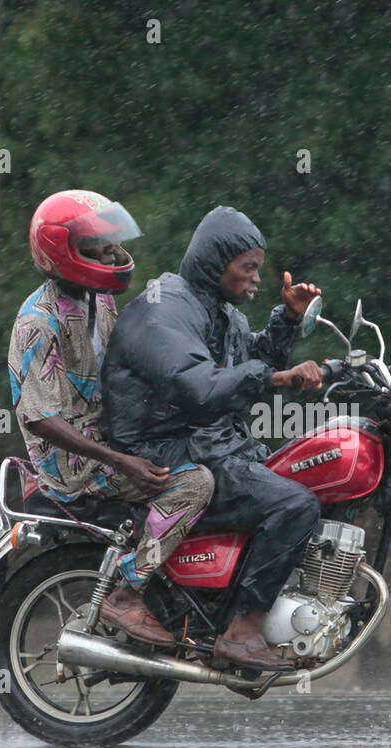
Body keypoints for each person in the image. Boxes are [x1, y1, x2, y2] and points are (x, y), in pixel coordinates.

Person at [102, 206, 326, 670]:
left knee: (305, 473)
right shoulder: (163, 307)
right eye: (248, 268)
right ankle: (242, 632)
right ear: (214, 262)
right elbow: (200, 387)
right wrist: (280, 380)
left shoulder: (222, 313)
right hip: (161, 451)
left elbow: (252, 361)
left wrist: (286, 318)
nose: (256, 280)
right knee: (295, 504)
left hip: (209, 443)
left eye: (258, 270)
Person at [10, 189, 214, 647]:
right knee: (195, 483)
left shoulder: (98, 299)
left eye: (109, 242)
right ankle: (127, 591)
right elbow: (40, 418)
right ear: (59, 252)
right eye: (94, 247)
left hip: (108, 439)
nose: (110, 253)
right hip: (72, 463)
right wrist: (122, 462)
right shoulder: (38, 323)